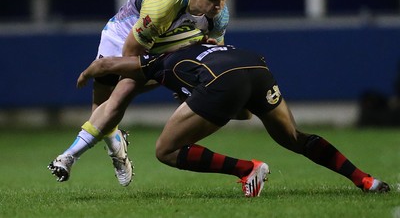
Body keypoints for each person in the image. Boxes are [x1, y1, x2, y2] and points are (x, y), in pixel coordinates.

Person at [71, 44, 390, 197]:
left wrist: (87, 74)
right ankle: (365, 180)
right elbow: (245, 112)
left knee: (165, 151)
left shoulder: (158, 63)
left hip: (222, 80)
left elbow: (108, 64)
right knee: (294, 137)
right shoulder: (200, 51)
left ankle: (246, 169)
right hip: (255, 66)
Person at [48, 0, 231, 186]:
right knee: (105, 105)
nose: (220, 6)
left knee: (120, 95)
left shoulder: (219, 15)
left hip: (165, 41)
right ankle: (116, 147)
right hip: (121, 36)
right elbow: (131, 55)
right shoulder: (161, 7)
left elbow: (213, 50)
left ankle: (69, 156)